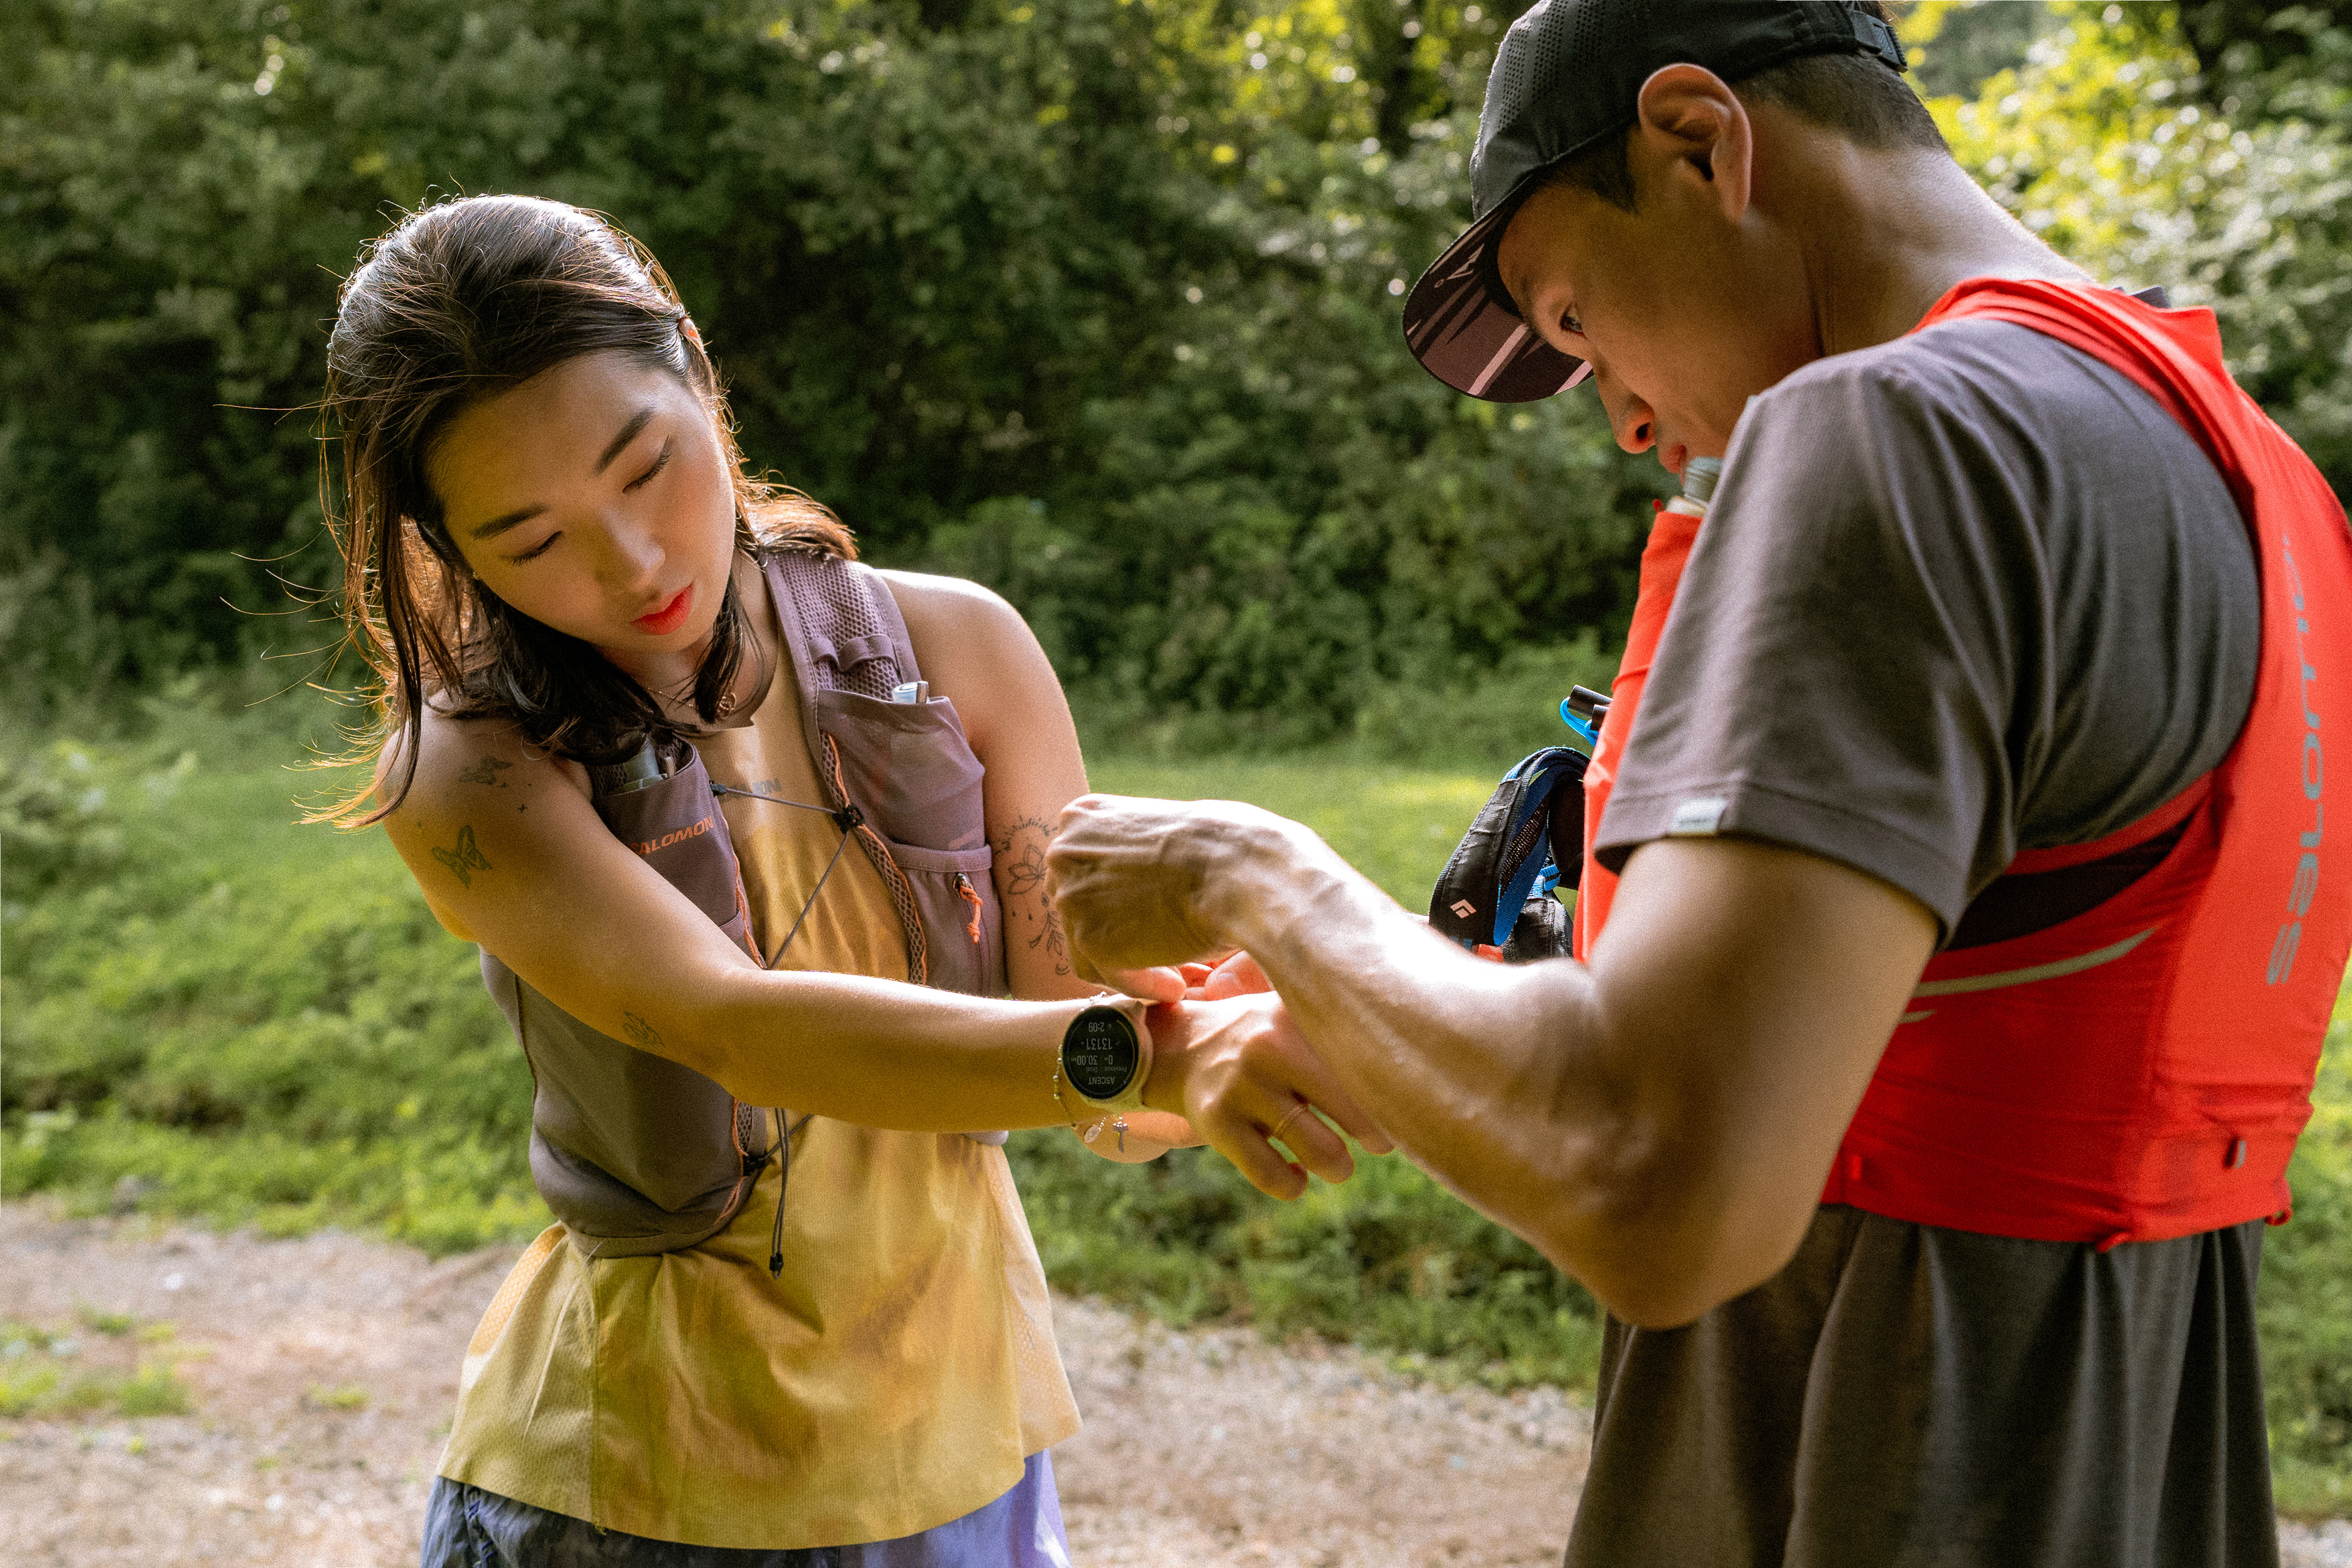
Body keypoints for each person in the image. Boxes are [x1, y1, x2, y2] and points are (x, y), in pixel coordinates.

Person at [1044, 2, 2352, 1563]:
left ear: (1698, 144)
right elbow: (1928, 1034)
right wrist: (1378, 1005)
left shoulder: (1898, 433)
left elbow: (1657, 1180)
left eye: (1578, 316)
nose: (1621, 418)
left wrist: (1252, 872)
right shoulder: (2258, 488)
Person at [316, 194, 1384, 1566]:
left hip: (959, 1462)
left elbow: (1096, 1088)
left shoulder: (962, 650)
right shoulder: (467, 768)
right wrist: (1156, 1056)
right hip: (634, 1488)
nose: (631, 562)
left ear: (700, 375)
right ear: (450, 549)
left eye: (646, 469)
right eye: (533, 541)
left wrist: (1254, 1036)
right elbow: (733, 1024)